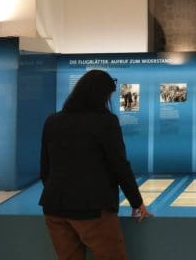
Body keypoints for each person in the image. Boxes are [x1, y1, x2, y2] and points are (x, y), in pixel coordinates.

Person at [39, 69, 151, 259]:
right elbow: (119, 165)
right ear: (101, 95)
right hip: (92, 210)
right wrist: (136, 202)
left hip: (54, 208)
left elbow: (45, 168)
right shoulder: (105, 122)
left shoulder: (53, 121)